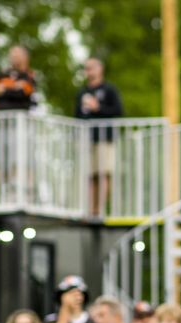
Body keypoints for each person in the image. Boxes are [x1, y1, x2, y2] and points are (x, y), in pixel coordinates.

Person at [76, 57, 124, 216]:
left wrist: (98, 108)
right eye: (86, 68)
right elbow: (76, 115)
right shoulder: (82, 92)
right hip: (87, 139)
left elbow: (118, 111)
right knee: (90, 175)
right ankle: (91, 209)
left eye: (92, 67)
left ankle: (100, 209)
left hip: (105, 139)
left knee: (104, 173)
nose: (89, 71)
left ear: (100, 68)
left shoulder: (109, 89)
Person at [0, 45, 36, 111]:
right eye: (12, 55)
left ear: (25, 57)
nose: (14, 57)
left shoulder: (29, 75)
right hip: (1, 117)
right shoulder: (3, 74)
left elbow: (22, 94)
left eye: (17, 54)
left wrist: (3, 89)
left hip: (20, 117)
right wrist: (15, 86)